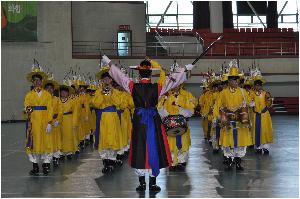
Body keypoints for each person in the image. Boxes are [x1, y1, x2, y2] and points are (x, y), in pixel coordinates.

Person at [103, 55, 194, 192]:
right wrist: (185, 69)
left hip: (139, 121)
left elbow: (120, 77)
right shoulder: (157, 87)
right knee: (154, 147)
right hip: (153, 120)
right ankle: (152, 183)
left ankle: (141, 184)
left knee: (140, 148)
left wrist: (110, 63)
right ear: (151, 73)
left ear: (139, 74)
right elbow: (172, 81)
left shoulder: (132, 86)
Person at [213, 60, 253, 171]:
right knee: (228, 141)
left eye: (236, 79)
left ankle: (238, 162)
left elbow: (249, 103)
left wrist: (250, 104)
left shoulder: (243, 91)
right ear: (229, 80)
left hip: (240, 121)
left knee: (241, 142)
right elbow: (217, 105)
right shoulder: (223, 92)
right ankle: (230, 161)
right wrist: (217, 117)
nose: (235, 81)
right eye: (233, 79)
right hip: (228, 121)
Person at [91, 66, 123, 173]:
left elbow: (119, 103)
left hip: (113, 117)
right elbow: (96, 103)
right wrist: (103, 93)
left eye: (108, 79)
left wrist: (111, 93)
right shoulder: (98, 92)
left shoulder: (116, 92)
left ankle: (112, 159)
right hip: (102, 117)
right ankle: (105, 160)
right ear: (102, 81)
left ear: (111, 80)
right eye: (104, 79)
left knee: (112, 138)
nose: (106, 81)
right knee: (103, 138)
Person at [158, 84, 196, 171]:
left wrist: (181, 110)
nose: (175, 87)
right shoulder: (165, 97)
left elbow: (191, 109)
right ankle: (172, 162)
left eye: (178, 85)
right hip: (170, 124)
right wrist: (167, 113)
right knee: (171, 143)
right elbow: (160, 109)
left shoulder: (185, 96)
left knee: (183, 142)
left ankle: (181, 161)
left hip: (182, 123)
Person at [24, 65, 54, 175]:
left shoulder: (47, 95)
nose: (37, 82)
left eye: (39, 80)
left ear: (42, 82)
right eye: (35, 80)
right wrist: (28, 110)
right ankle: (35, 165)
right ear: (32, 82)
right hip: (34, 121)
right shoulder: (29, 95)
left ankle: (46, 165)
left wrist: (50, 122)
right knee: (34, 142)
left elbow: (50, 108)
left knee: (46, 142)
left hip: (45, 121)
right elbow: (27, 106)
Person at [251, 70, 273, 154]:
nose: (257, 87)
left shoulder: (265, 93)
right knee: (257, 130)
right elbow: (250, 102)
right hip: (256, 115)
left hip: (264, 115)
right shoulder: (252, 94)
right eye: (256, 85)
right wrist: (251, 103)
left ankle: (265, 147)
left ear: (261, 85)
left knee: (265, 130)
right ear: (254, 86)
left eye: (259, 85)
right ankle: (258, 147)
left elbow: (269, 104)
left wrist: (269, 100)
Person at [43, 75, 61, 167]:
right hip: (45, 123)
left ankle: (56, 157)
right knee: (47, 141)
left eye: (51, 88)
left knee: (55, 141)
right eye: (47, 88)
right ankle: (47, 159)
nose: (49, 90)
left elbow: (60, 110)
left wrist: (57, 120)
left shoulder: (57, 99)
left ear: (54, 90)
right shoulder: (43, 99)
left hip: (55, 123)